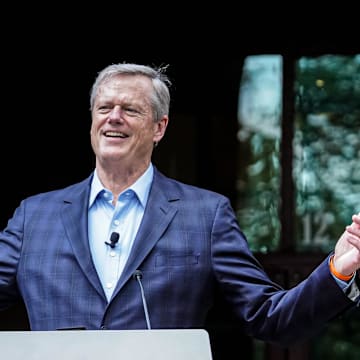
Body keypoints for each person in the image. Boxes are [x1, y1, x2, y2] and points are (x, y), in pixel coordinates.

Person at [0, 63, 359, 347]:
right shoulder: (35, 216)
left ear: (159, 127)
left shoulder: (205, 215)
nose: (113, 117)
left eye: (130, 110)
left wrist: (336, 272)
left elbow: (268, 317)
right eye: (104, 107)